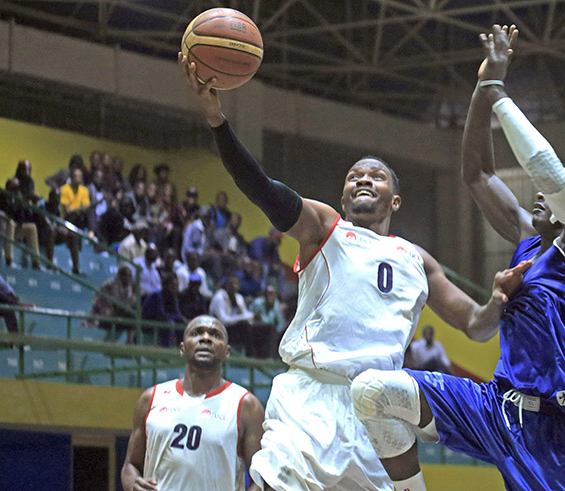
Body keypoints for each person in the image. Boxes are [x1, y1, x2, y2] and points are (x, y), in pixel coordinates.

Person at [179, 51, 529, 491]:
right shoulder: (325, 228)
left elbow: (476, 327)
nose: (363, 179)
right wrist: (217, 120)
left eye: (376, 176)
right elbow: (261, 189)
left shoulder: (417, 260)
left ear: (395, 201)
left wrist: (498, 298)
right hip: (308, 395)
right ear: (344, 198)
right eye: (354, 176)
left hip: (375, 408)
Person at [350, 25, 565, 491]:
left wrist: (500, 95)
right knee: (372, 391)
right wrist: (481, 87)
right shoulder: (532, 237)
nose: (537, 195)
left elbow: (550, 174)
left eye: (551, 197)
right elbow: (477, 173)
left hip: (561, 429)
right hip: (497, 406)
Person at [121, 315, 266, 491]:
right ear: (182, 348)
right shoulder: (150, 399)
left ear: (227, 351)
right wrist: (133, 483)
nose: (206, 338)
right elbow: (131, 465)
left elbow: (261, 480)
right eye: (196, 333)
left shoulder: (246, 405)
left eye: (215, 335)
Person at [209, 276, 274, 360]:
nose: (233, 286)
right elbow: (223, 320)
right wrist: (248, 317)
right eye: (231, 284)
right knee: (245, 326)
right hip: (222, 330)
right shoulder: (220, 297)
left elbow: (245, 314)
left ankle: (268, 357)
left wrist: (254, 316)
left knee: (269, 327)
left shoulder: (239, 298)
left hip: (237, 328)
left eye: (236, 284)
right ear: (226, 286)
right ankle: (251, 357)